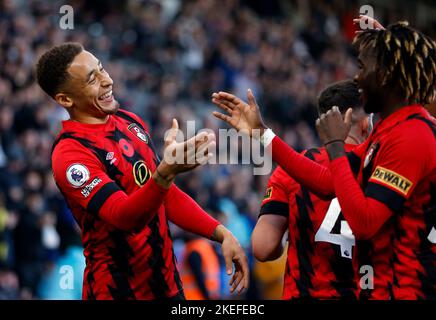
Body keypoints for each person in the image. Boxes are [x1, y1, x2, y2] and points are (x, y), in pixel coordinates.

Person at [212, 22, 435, 299]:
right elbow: (328, 182)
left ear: (386, 75)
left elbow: (364, 224)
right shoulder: (387, 133)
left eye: (363, 68)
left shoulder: (411, 136)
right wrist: (261, 134)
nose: (357, 78)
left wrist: (335, 148)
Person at [36, 43, 249, 300]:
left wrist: (221, 233)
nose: (108, 81)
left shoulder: (129, 122)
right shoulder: (71, 155)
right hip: (117, 292)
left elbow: (165, 196)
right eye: (93, 79)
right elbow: (126, 218)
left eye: (102, 69)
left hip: (168, 288)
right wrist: (165, 173)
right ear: (65, 99)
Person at [252, 80, 371, 299]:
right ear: (364, 123)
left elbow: (263, 247)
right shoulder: (377, 165)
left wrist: (291, 238)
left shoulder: (290, 168)